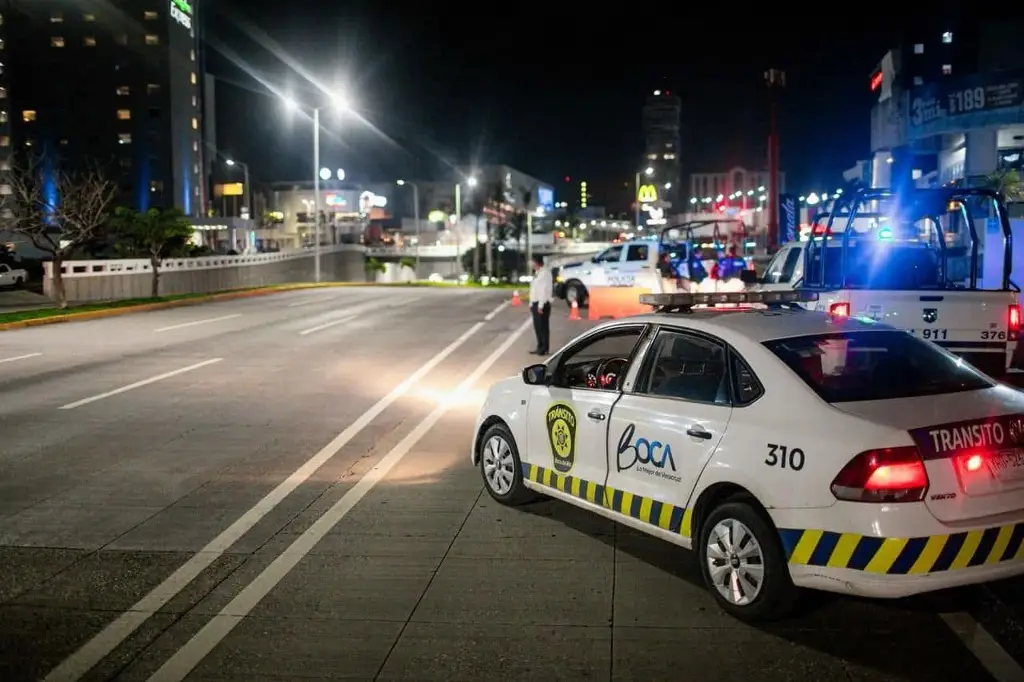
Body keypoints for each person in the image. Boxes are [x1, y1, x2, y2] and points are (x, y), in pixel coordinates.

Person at [528, 254, 553, 355]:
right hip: (535, 303)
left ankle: (544, 348)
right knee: (537, 327)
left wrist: (540, 305)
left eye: (531, 261)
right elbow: (534, 290)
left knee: (543, 327)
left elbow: (544, 291)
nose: (530, 263)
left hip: (542, 304)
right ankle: (539, 346)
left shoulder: (545, 273)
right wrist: (531, 303)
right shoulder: (537, 273)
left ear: (536, 262)